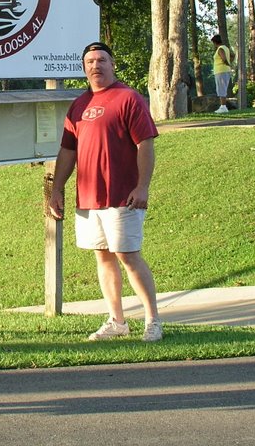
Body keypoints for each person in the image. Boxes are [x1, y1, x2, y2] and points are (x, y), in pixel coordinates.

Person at [48, 41, 163, 342]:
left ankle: (153, 320)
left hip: (123, 196)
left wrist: (142, 187)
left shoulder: (129, 98)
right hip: (88, 198)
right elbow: (67, 151)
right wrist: (57, 189)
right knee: (103, 257)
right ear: (83, 68)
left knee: (128, 256)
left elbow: (146, 144)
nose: (95, 65)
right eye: (90, 61)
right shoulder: (78, 105)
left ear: (113, 65)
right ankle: (117, 321)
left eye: (101, 60)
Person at [211, 34, 232, 114]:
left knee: (221, 89)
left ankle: (223, 106)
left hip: (221, 71)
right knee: (222, 88)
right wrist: (229, 63)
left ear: (215, 42)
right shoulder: (226, 48)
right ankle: (223, 106)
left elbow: (223, 58)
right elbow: (232, 55)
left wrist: (227, 63)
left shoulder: (220, 49)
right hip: (225, 70)